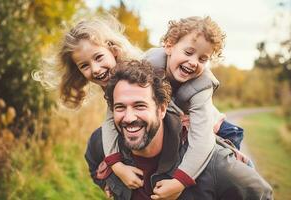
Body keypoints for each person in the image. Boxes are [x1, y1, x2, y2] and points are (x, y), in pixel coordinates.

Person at [102, 16, 250, 198]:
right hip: (178, 125)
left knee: (230, 174)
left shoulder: (202, 86)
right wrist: (115, 165)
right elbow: (112, 116)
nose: (194, 62)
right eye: (188, 53)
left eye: (203, 59)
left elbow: (202, 139)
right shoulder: (148, 64)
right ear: (169, 46)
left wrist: (180, 181)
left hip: (218, 130)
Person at [85, 60, 273, 199]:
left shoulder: (215, 165)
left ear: (161, 109)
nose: (129, 117)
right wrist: (107, 183)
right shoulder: (101, 142)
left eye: (140, 106)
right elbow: (93, 161)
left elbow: (261, 194)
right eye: (120, 107)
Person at [32, 14, 142, 108]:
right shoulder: (111, 89)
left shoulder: (137, 74)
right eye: (84, 66)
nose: (95, 69)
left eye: (98, 57)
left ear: (113, 49)